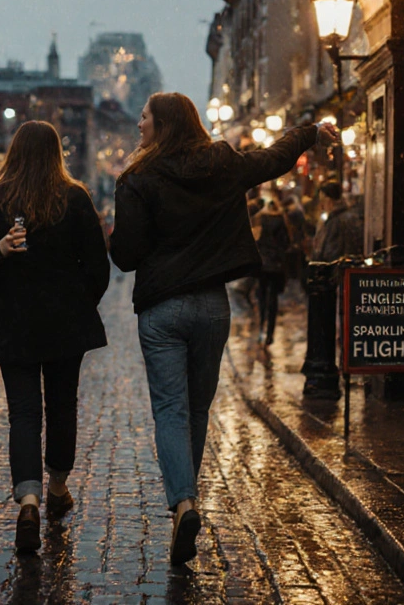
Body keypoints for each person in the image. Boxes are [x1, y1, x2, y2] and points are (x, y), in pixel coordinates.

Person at [109, 93, 337, 566]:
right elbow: (274, 159)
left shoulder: (137, 178)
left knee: (170, 409)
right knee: (196, 410)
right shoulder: (222, 164)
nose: (138, 124)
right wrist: (310, 131)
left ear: (164, 124)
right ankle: (185, 505)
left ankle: (184, 503)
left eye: (145, 117)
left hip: (163, 307)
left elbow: (126, 255)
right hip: (212, 306)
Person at [0, 121, 110, 553]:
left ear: (13, 151)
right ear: (56, 154)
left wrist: (0, 254)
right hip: (66, 322)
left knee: (23, 413)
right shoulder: (75, 197)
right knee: (62, 405)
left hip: (15, 321)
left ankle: (27, 499)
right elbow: (98, 266)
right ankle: (58, 487)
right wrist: (80, 300)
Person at [252, 193, 291, 346]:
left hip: (262, 264)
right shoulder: (281, 220)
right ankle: (270, 333)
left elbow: (254, 239)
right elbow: (286, 242)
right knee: (273, 299)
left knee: (261, 296)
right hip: (276, 265)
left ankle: (261, 327)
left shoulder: (260, 219)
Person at [313, 180, 364, 262]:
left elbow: (331, 253)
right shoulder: (349, 216)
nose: (321, 205)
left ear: (329, 201)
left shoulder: (335, 222)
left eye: (322, 200)